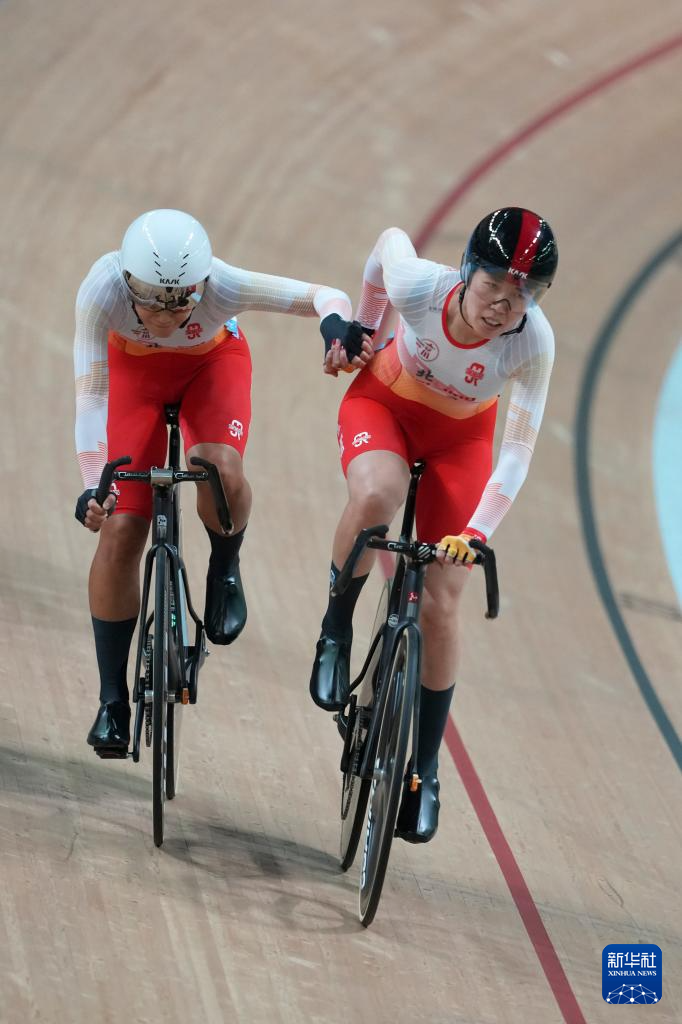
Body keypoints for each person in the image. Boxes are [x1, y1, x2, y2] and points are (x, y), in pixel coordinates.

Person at [74, 208, 372, 757]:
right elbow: (91, 394)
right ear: (127, 282)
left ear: (203, 285)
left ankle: (224, 564)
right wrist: (96, 486)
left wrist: (335, 326)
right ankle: (112, 700)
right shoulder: (101, 288)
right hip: (133, 375)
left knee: (218, 466)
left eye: (181, 300)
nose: (166, 314)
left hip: (211, 365)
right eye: (151, 299)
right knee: (120, 530)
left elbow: (324, 295)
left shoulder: (224, 285)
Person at [309, 207, 558, 843]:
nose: (503, 306)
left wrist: (477, 533)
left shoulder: (533, 343)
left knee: (443, 600)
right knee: (379, 494)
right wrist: (367, 326)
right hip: (386, 403)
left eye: (522, 295)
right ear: (467, 271)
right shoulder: (420, 285)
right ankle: (335, 631)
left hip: (461, 441)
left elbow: (517, 451)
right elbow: (386, 242)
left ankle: (424, 770)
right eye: (493, 286)